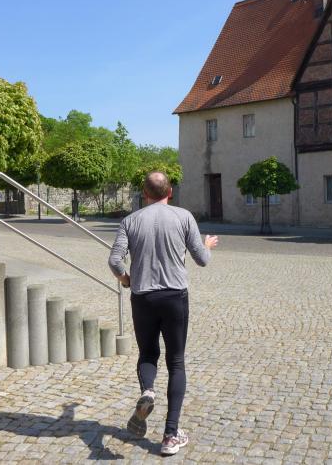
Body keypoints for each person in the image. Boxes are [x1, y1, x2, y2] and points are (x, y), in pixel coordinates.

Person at [108, 171, 219, 456]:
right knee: (176, 362)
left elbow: (115, 260)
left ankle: (147, 390)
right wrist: (206, 246)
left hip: (142, 297)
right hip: (174, 297)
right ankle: (170, 436)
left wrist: (125, 280)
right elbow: (202, 259)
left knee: (147, 354)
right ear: (170, 192)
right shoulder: (184, 217)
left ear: (144, 194)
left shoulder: (130, 221)